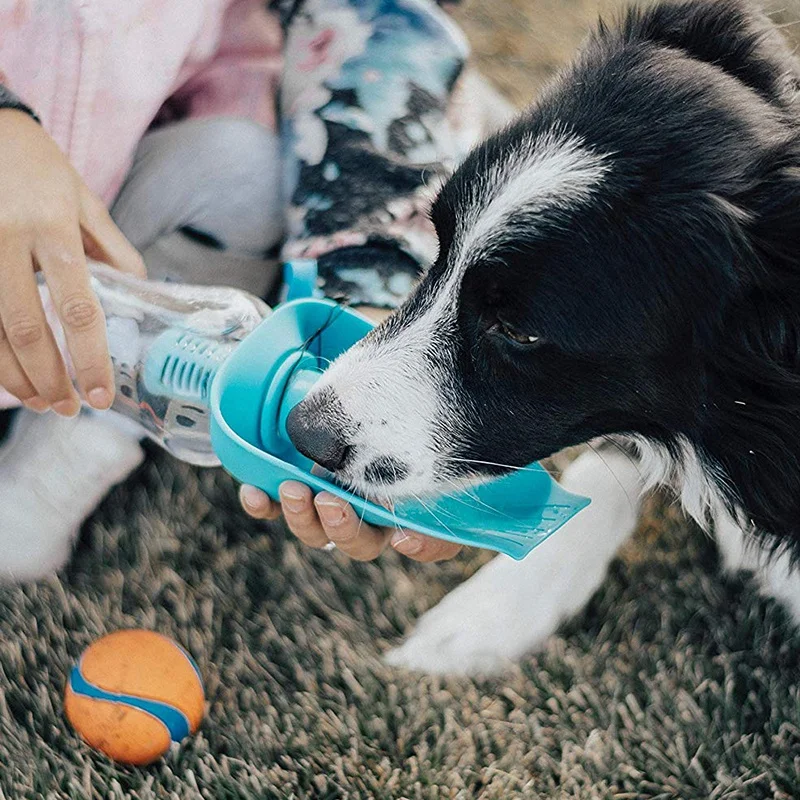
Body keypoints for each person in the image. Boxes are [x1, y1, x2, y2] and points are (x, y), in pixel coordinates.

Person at [0, 0, 512, 580]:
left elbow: (371, 25)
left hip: (104, 214)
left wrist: (363, 298)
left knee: (246, 167)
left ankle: (85, 431)